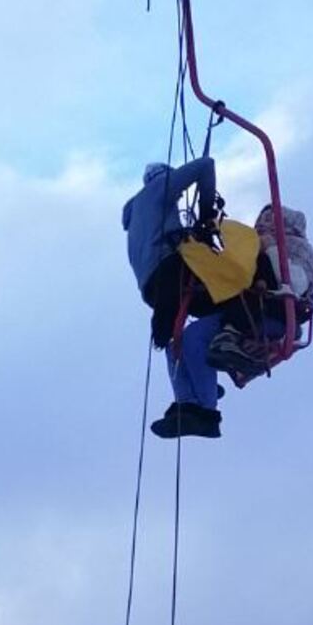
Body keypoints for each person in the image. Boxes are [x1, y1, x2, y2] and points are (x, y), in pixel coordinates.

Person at [122, 158, 226, 439]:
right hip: (171, 271)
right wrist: (206, 216)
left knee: (175, 341)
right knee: (232, 300)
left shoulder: (136, 216)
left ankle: (191, 395)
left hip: (153, 287)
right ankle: (206, 403)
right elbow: (206, 165)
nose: (179, 196)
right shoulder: (160, 189)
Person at [207, 203, 313, 381]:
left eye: (269, 220)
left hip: (277, 308)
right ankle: (195, 399)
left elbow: (296, 283)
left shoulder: (297, 247)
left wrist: (271, 248)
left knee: (257, 266)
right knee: (191, 339)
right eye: (259, 220)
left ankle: (232, 334)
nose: (260, 224)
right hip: (245, 304)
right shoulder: (252, 245)